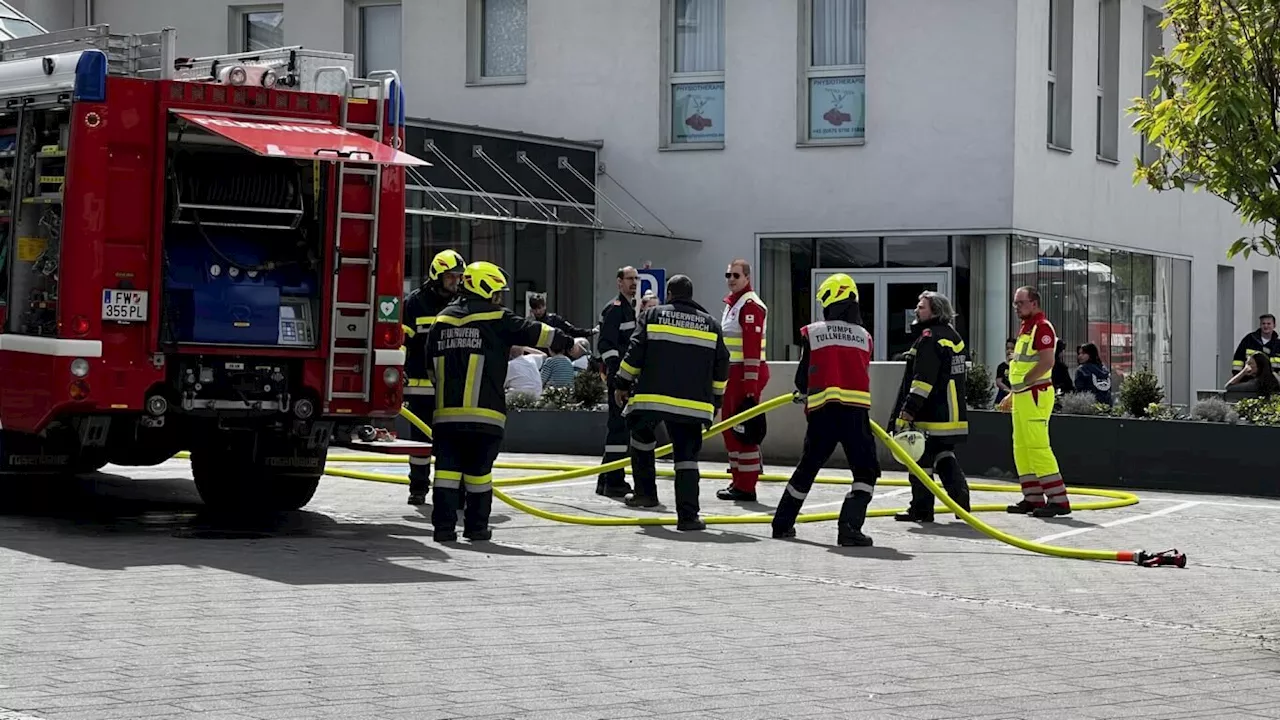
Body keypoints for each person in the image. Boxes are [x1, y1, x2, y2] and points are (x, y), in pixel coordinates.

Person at [424, 261, 582, 542]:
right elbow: (537, 332)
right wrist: (569, 342)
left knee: (446, 474)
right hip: (485, 416)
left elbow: (429, 366)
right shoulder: (497, 317)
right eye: (497, 292)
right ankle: (476, 528)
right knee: (479, 476)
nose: (500, 298)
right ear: (485, 289)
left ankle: (444, 529)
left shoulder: (441, 320)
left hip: (446, 417)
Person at [612, 274, 729, 531]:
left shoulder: (652, 316)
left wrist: (621, 384)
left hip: (651, 399)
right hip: (692, 404)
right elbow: (722, 366)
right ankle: (688, 517)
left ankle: (645, 494)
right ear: (691, 294)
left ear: (668, 293)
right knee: (686, 458)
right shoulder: (710, 323)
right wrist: (716, 400)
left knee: (641, 438)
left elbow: (634, 353)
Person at [771, 273, 879, 547]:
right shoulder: (864, 337)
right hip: (855, 414)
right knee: (865, 471)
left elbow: (801, 379)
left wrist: (805, 393)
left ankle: (782, 524)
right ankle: (849, 528)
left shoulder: (814, 332)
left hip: (822, 413)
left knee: (807, 467)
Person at [890, 291, 972, 523]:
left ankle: (922, 509)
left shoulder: (929, 338)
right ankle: (961, 502)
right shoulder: (953, 336)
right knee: (944, 455)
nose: (916, 310)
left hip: (931, 411)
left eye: (922, 307)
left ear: (935, 311)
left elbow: (922, 381)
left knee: (920, 461)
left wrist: (907, 411)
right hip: (952, 412)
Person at [998, 286, 1072, 517]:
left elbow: (1046, 362)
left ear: (1034, 303)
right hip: (1025, 395)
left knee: (1038, 446)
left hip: (1035, 395)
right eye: (1015, 303)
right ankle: (1033, 498)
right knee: (1022, 447)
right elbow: (1023, 366)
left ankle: (1058, 500)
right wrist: (1014, 392)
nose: (1017, 307)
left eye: (1021, 303)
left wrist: (1022, 385)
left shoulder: (1041, 327)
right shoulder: (1027, 329)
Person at [400, 248, 465, 506]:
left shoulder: (462, 302)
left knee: (453, 441)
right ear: (437, 275)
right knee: (420, 444)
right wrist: (400, 367)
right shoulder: (415, 303)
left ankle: (456, 493)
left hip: (453, 387)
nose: (456, 281)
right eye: (451, 277)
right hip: (421, 387)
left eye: (459, 277)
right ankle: (418, 488)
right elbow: (402, 339)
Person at [717, 258, 769, 503]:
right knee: (730, 428)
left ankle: (746, 486)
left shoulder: (750, 305)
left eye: (736, 275)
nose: (731, 280)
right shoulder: (733, 304)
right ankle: (738, 479)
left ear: (747, 278)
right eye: (728, 275)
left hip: (744, 375)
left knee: (743, 430)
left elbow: (751, 349)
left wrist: (750, 387)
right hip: (732, 374)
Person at [595, 266, 640, 498]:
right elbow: (605, 345)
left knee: (618, 428)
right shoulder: (615, 309)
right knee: (618, 430)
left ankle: (606, 479)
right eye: (629, 279)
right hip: (618, 378)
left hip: (624, 377)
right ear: (619, 282)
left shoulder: (629, 309)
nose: (634, 282)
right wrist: (616, 375)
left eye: (636, 279)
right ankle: (614, 480)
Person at [528, 293, 596, 338]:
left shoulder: (554, 319)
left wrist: (591, 331)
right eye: (535, 309)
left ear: (544, 306)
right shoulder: (529, 323)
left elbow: (572, 330)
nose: (537, 311)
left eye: (539, 308)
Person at [994, 338, 1014, 405]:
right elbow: (999, 382)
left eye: (1012, 349)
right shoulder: (1002, 366)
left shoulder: (1019, 367)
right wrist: (1009, 391)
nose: (1009, 351)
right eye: (1007, 348)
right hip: (1002, 396)